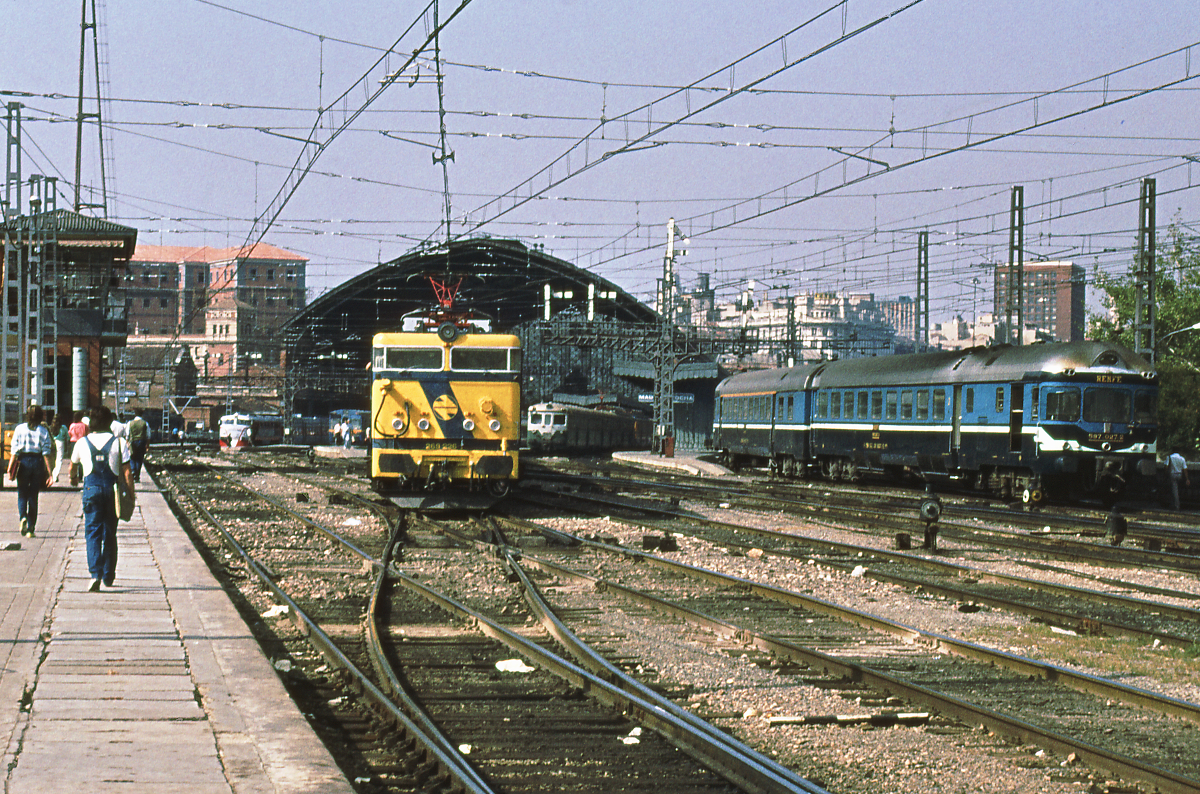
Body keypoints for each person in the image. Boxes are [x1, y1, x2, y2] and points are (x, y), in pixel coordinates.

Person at [70, 406, 134, 592]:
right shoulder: (120, 443)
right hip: (112, 491)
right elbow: (128, 473)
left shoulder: (82, 443)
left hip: (91, 490)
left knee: (92, 532)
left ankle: (95, 574)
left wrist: (74, 479)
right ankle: (108, 574)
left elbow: (72, 468)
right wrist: (131, 495)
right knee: (110, 533)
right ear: (109, 423)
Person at [8, 405, 54, 538]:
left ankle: (22, 517)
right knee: (33, 495)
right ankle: (30, 528)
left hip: (22, 462)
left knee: (22, 493)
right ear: (41, 416)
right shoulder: (43, 431)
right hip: (37, 462)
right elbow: (46, 453)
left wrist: (10, 469)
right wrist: (50, 473)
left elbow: (14, 452)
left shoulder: (19, 429)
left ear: (27, 415)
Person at [126, 409, 150, 482]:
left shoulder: (130, 423)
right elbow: (148, 435)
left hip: (132, 442)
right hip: (142, 442)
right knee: (139, 459)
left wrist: (127, 443)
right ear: (141, 415)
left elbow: (127, 435)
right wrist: (147, 445)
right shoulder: (145, 423)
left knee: (132, 457)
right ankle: (137, 475)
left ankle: (133, 470)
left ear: (135, 415)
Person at [51, 415, 71, 483]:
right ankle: (55, 475)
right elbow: (67, 437)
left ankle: (52, 474)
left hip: (53, 442)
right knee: (59, 459)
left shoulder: (52, 427)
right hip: (60, 442)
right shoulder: (63, 427)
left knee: (53, 459)